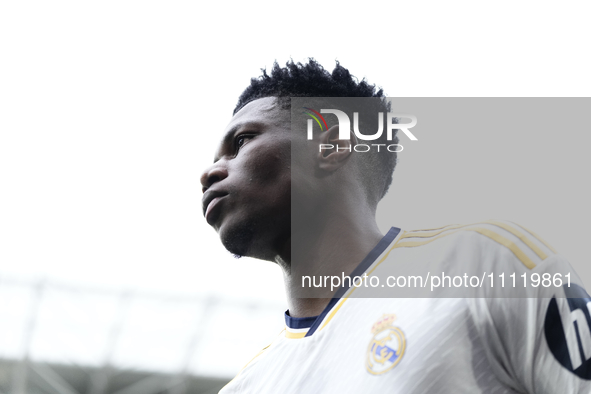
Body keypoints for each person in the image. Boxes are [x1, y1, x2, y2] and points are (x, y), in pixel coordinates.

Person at [200, 59, 591, 393]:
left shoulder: (481, 267)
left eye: (242, 141)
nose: (210, 172)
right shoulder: (248, 385)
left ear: (330, 147)